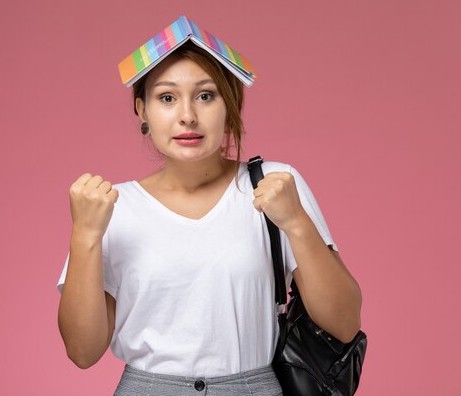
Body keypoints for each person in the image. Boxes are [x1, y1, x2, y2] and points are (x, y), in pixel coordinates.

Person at [56, 36, 362, 396]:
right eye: (167, 98)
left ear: (229, 104)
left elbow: (344, 324)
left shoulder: (275, 185)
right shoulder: (113, 206)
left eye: (206, 95)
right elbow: (82, 351)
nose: (187, 115)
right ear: (141, 109)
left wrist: (296, 222)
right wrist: (85, 237)